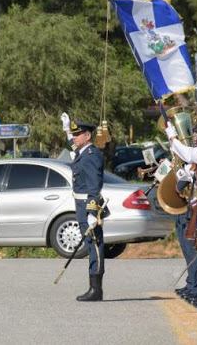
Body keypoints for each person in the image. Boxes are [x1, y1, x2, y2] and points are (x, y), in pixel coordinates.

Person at [61, 113, 106, 301]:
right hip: (80, 204)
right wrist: (65, 129)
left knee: (94, 245)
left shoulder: (91, 155)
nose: (74, 137)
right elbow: (72, 148)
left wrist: (91, 211)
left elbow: (94, 185)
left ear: (88, 136)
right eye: (73, 134)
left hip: (88, 205)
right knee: (90, 244)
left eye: (77, 134)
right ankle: (93, 288)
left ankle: (96, 290)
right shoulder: (83, 152)